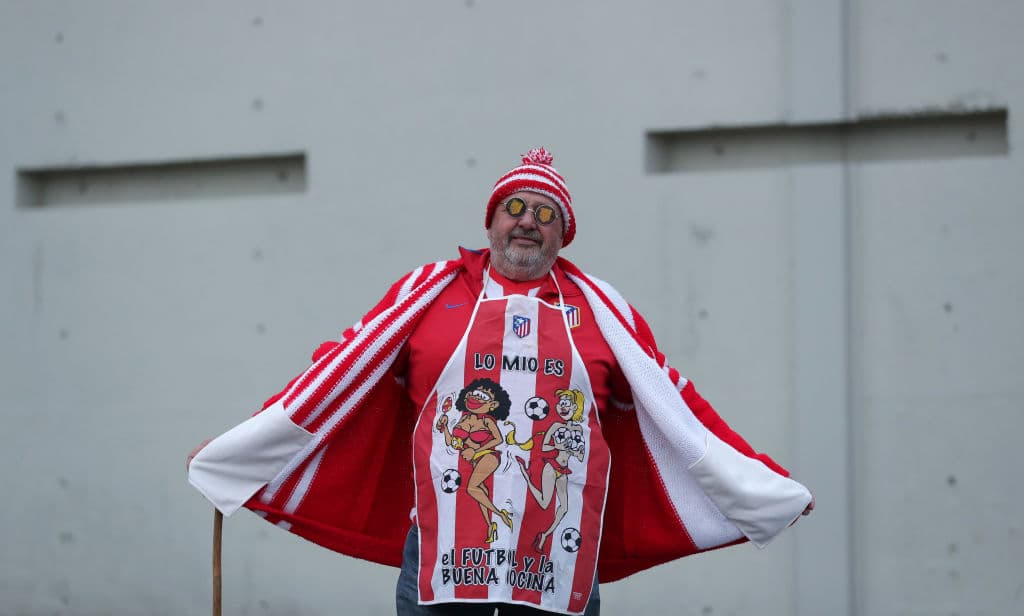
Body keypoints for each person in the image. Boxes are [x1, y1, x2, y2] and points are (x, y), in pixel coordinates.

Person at [187, 147, 814, 616]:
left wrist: (757, 480)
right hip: (437, 560)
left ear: (563, 234)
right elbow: (338, 372)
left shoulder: (601, 309)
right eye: (514, 208)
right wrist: (244, 446)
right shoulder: (428, 292)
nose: (527, 222)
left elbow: (674, 405)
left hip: (557, 565)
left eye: (545, 214)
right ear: (490, 222)